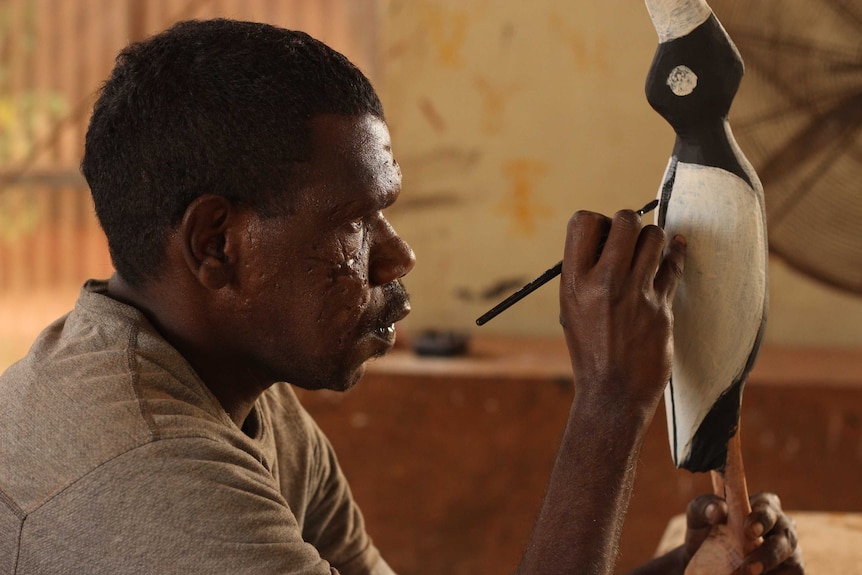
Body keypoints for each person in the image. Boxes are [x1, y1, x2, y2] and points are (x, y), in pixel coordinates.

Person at [0, 19, 802, 575]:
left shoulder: (242, 400)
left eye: (386, 211)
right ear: (216, 244)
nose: (398, 255)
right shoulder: (143, 474)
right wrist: (609, 398)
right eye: (353, 223)